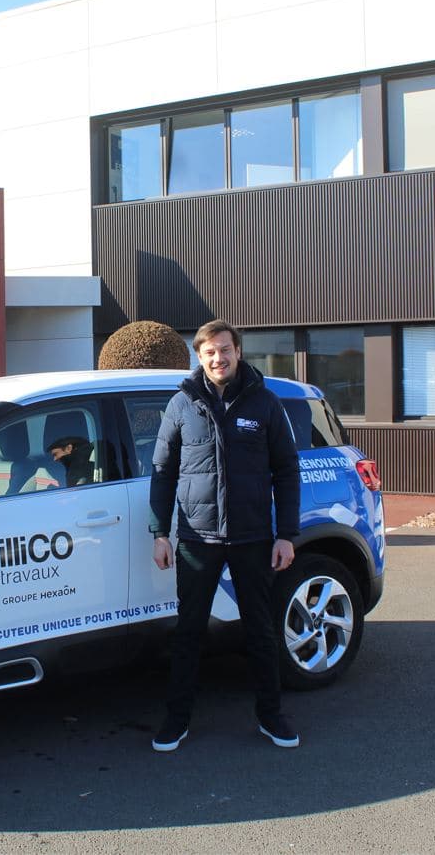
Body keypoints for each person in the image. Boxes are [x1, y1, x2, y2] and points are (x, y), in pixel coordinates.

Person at [148, 319, 301, 753]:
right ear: (200, 356)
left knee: (261, 631)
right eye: (210, 351)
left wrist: (286, 534)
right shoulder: (181, 404)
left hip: (253, 537)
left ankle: (272, 716)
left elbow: (286, 471)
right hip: (197, 539)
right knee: (189, 632)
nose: (219, 358)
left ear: (238, 352)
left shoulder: (265, 404)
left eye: (225, 349)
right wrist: (160, 532)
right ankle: (176, 720)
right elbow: (161, 471)